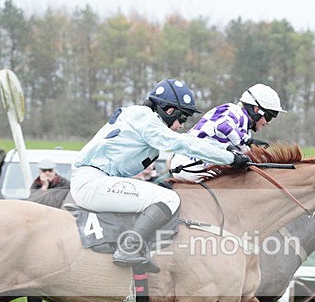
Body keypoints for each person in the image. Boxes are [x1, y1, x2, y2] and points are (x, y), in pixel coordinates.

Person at [70, 78, 249, 272]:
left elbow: (187, 140)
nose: (182, 124)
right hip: (92, 182)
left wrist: (228, 149)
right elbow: (183, 144)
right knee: (168, 198)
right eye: (182, 118)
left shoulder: (142, 118)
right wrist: (229, 159)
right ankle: (129, 248)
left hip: (97, 180)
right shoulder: (146, 120)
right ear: (168, 110)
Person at [169, 83, 284, 180]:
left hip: (196, 167)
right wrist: (248, 141)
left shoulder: (244, 128)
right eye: (269, 117)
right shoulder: (234, 110)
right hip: (187, 165)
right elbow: (222, 126)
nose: (268, 123)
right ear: (257, 110)